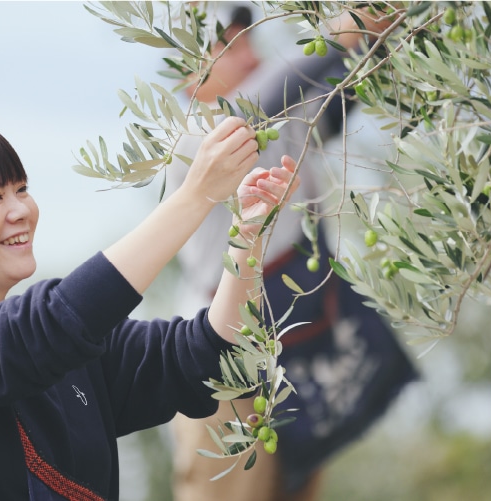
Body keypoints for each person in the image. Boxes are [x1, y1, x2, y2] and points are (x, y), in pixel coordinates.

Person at [0, 115, 301, 500]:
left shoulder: (67, 347)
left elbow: (212, 361)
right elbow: (53, 323)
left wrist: (246, 240)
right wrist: (195, 196)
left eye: (22, 189)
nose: (21, 210)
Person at [165, 6, 417, 501]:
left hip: (291, 359)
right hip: (224, 374)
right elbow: (255, 105)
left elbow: (347, 89)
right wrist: (342, 30)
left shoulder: (284, 122)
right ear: (191, 75)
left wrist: (383, 26)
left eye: (250, 42)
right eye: (232, 46)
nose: (251, 55)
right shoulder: (192, 140)